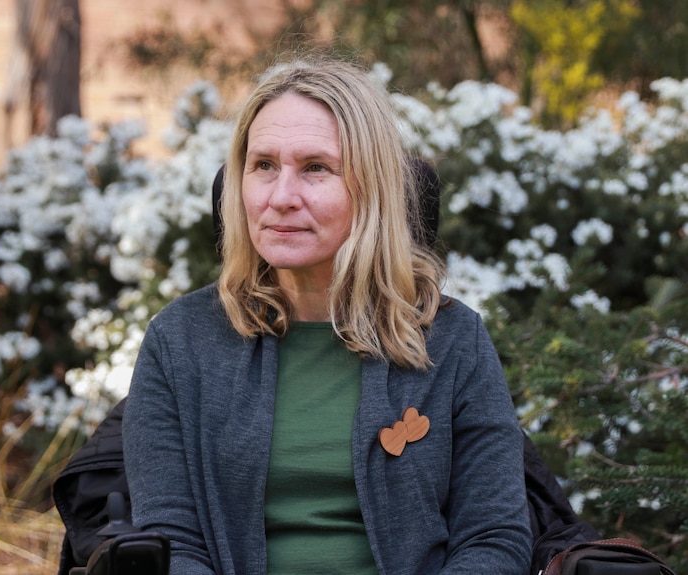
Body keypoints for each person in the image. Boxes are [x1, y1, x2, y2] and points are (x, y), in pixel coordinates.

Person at [122, 56, 532, 575]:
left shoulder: (452, 339)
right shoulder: (180, 341)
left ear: (372, 186)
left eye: (316, 167)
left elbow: (494, 538)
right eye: (263, 165)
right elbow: (170, 544)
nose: (281, 197)